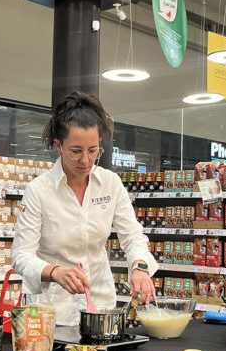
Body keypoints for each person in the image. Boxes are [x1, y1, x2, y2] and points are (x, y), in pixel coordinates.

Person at [11, 92, 158, 326]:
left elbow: (132, 236)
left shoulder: (110, 183)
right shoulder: (38, 191)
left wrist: (139, 267)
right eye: (76, 151)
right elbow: (21, 256)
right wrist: (55, 272)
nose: (86, 161)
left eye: (93, 150)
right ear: (59, 146)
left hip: (101, 307)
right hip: (51, 313)